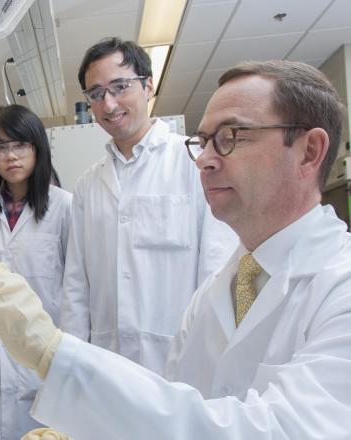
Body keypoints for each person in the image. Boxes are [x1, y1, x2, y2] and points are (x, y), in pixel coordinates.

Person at [0, 59, 351, 439]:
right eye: (204, 141)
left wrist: (59, 359)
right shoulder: (221, 289)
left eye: (230, 137)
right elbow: (172, 398)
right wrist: (87, 421)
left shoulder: (340, 288)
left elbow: (271, 429)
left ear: (309, 151)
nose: (205, 159)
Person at [61, 37, 236, 374]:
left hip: (180, 361)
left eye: (120, 87)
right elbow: (76, 284)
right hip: (107, 363)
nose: (109, 104)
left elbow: (217, 269)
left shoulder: (195, 163)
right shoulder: (87, 186)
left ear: (148, 86)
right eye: (96, 94)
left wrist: (211, 361)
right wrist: (74, 363)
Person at [0, 105, 72, 440]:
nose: (11, 156)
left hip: (43, 343)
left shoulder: (64, 207)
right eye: (0, 147)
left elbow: (75, 285)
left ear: (37, 148)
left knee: (40, 425)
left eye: (20, 145)